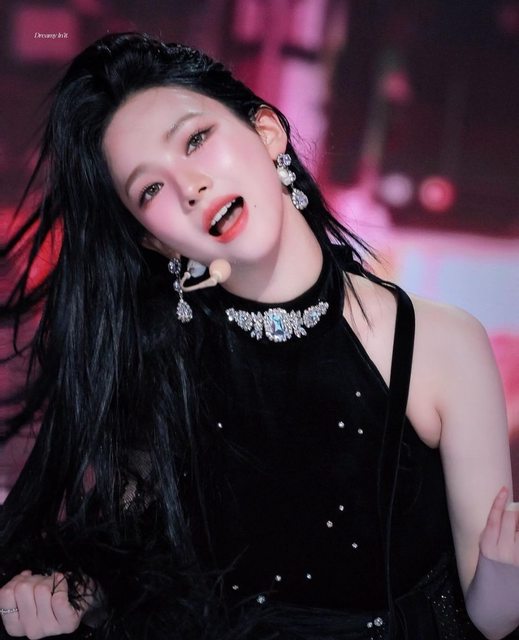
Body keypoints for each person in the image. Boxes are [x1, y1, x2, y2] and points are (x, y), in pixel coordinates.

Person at [0, 32, 518, 640]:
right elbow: (134, 574)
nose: (189, 186)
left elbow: (493, 616)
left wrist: (506, 572)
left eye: (196, 140)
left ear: (267, 131)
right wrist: (71, 596)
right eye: (150, 189)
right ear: (155, 240)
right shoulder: (160, 369)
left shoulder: (439, 342)